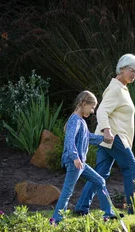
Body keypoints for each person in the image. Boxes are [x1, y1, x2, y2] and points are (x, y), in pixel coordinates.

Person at [74, 53, 135, 216]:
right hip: (114, 137)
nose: (134, 74)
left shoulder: (122, 88)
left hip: (109, 138)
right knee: (131, 168)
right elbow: (102, 110)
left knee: (100, 173)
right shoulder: (116, 89)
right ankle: (134, 210)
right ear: (122, 68)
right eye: (131, 70)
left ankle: (81, 207)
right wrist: (107, 131)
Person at [50, 90, 117, 224]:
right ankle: (56, 220)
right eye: (92, 107)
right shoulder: (75, 120)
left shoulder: (80, 121)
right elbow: (69, 141)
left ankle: (109, 213)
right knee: (67, 191)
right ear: (83, 103)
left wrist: (104, 138)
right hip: (75, 162)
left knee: (100, 181)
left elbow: (88, 138)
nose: (92, 111)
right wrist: (75, 157)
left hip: (80, 162)